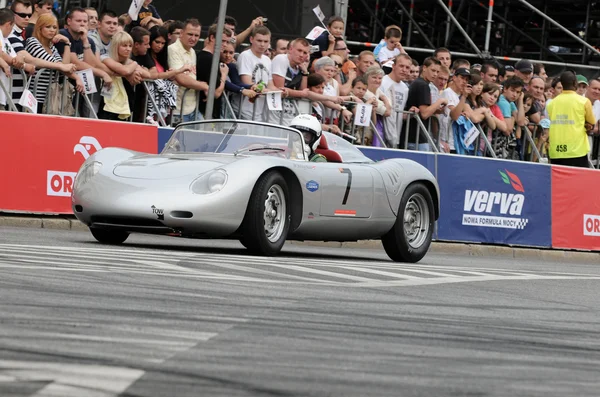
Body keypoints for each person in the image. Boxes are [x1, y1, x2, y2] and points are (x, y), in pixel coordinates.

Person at [25, 13, 82, 112]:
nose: (52, 30)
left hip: (50, 98)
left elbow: (64, 66)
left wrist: (67, 43)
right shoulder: (32, 41)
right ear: (39, 28)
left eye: (54, 27)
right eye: (48, 27)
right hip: (34, 97)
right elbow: (58, 65)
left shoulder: (52, 48)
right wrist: (75, 75)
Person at [547, 71, 596, 167]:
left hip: (556, 151)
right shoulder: (584, 101)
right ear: (575, 83)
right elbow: (592, 122)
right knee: (578, 181)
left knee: (559, 181)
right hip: (577, 151)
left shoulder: (552, 103)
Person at [168, 18, 208, 123]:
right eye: (190, 34)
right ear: (181, 33)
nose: (193, 38)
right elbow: (181, 78)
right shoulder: (173, 49)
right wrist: (204, 86)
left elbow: (190, 77)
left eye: (197, 36)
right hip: (177, 110)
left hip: (193, 108)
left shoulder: (193, 52)